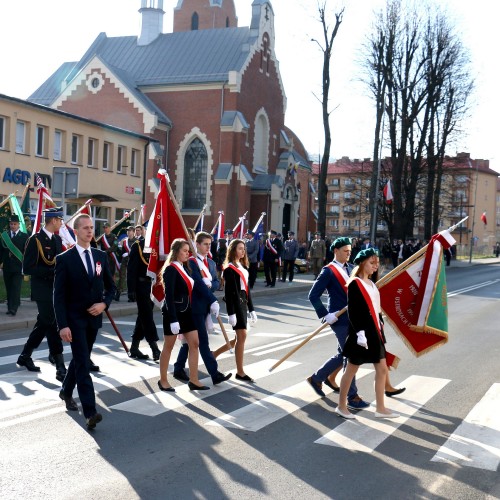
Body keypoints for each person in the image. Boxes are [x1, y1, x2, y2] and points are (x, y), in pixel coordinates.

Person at [55, 214, 116, 430]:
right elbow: (59, 296)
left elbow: (112, 287)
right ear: (76, 231)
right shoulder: (65, 259)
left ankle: (65, 390)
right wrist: (62, 325)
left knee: (81, 358)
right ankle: (90, 411)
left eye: (92, 228)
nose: (90, 231)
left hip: (94, 318)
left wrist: (104, 304)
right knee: (82, 362)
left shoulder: (100, 256)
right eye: (85, 228)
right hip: (74, 319)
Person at [336, 248, 399, 419]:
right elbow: (354, 312)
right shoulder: (355, 283)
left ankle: (380, 408)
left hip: (374, 331)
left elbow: (377, 310)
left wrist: (380, 326)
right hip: (361, 333)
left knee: (382, 370)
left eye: (377, 263)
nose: (375, 266)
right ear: (363, 263)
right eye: (372, 263)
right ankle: (341, 406)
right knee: (351, 370)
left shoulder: (372, 284)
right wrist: (360, 333)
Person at [307, 237, 369, 410]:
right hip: (338, 319)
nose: (349, 254)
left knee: (343, 354)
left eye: (350, 251)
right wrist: (325, 315)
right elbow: (313, 296)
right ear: (336, 251)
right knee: (351, 356)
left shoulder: (351, 268)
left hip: (353, 318)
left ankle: (317, 378)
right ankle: (352, 397)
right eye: (345, 251)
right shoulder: (328, 271)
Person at [158, 238, 219, 392]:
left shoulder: (185, 268)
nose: (187, 254)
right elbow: (169, 296)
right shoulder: (171, 269)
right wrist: (172, 319)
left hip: (187, 313)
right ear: (176, 251)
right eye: (184, 251)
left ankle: (194, 380)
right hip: (174, 314)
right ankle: (163, 380)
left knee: (195, 343)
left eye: (188, 251)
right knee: (168, 347)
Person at [173, 232, 231, 385]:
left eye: (209, 244)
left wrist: (212, 286)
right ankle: (214, 373)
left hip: (206, 307)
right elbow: (197, 284)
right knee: (202, 342)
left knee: (191, 341)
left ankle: (178, 367)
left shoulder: (211, 263)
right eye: (204, 244)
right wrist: (211, 297)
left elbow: (218, 281)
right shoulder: (191, 262)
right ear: (196, 244)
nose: (207, 247)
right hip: (194, 307)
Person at [17, 207, 66, 380]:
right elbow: (27, 268)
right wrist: (50, 271)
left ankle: (25, 355)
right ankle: (60, 364)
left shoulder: (57, 240)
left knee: (44, 322)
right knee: (51, 323)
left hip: (55, 288)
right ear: (53, 220)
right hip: (42, 289)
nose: (61, 223)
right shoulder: (35, 240)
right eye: (60, 220)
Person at [212, 239, 257, 382]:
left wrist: (252, 309)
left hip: (243, 303)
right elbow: (229, 294)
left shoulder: (242, 267)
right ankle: (240, 372)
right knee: (241, 337)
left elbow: (247, 290)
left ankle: (214, 354)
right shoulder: (230, 269)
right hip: (236, 305)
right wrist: (231, 313)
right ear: (233, 251)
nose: (242, 251)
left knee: (239, 338)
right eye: (239, 249)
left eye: (243, 249)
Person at [126, 231, 161, 361]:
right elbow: (132, 268)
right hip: (141, 286)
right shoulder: (138, 245)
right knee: (147, 315)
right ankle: (154, 347)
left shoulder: (158, 246)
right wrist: (131, 289)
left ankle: (134, 347)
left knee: (143, 316)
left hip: (152, 286)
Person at [0, 214, 29, 316]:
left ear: (18, 225)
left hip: (18, 267)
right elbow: (1, 251)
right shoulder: (5, 236)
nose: (12, 226)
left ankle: (14, 308)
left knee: (15, 288)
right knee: (9, 288)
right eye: (11, 224)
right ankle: (9, 307)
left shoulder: (25, 236)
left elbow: (26, 253)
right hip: (7, 267)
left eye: (14, 224)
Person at [116, 225, 136, 301]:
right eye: (127, 231)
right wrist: (122, 257)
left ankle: (132, 295)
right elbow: (121, 250)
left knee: (132, 278)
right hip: (124, 261)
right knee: (122, 276)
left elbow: (137, 253)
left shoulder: (137, 241)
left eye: (130, 231)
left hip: (133, 261)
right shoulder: (124, 241)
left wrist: (129, 254)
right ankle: (118, 294)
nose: (128, 232)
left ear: (133, 232)